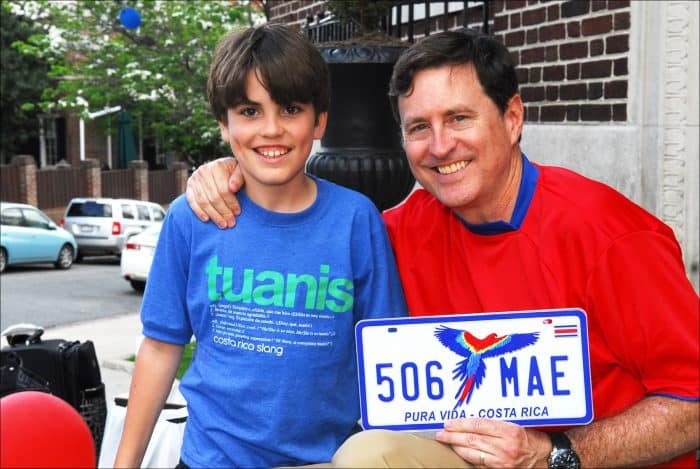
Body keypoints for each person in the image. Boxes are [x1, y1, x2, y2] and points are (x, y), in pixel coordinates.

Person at [185, 29, 699, 468]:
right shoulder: (393, 233)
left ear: (513, 118)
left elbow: (693, 403)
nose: (439, 146)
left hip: (574, 460)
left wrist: (554, 452)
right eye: (418, 128)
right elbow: (305, 236)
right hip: (457, 456)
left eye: (459, 119)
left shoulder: (610, 235)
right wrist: (230, 176)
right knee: (370, 455)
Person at [114, 24, 407, 469]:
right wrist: (125, 464)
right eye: (249, 111)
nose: (271, 130)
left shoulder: (356, 220)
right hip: (211, 460)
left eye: (290, 109)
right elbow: (159, 347)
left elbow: (388, 352)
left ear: (320, 120)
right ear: (224, 123)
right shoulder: (191, 218)